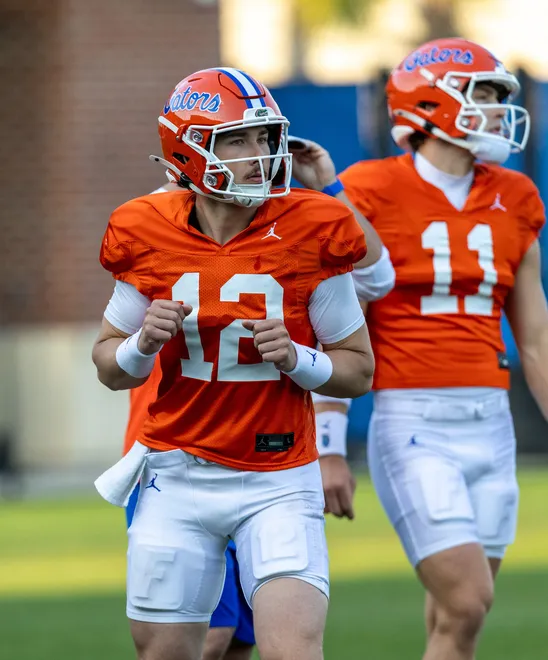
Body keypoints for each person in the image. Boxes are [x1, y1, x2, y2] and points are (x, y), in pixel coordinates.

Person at [92, 67, 376, 660]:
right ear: (188, 149)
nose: (261, 155)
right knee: (167, 654)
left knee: (291, 652)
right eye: (238, 140)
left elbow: (358, 369)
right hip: (176, 474)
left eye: (266, 138)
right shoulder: (144, 229)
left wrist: (301, 360)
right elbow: (108, 367)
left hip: (279, 476)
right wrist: (141, 345)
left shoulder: (310, 227)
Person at [312, 37, 548, 660]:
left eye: (501, 97)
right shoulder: (366, 190)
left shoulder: (517, 196)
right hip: (413, 422)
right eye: (486, 95)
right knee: (469, 597)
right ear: (430, 104)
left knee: (458, 623)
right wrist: (329, 447)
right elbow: (338, 322)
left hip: (492, 424)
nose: (500, 110)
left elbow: (537, 338)